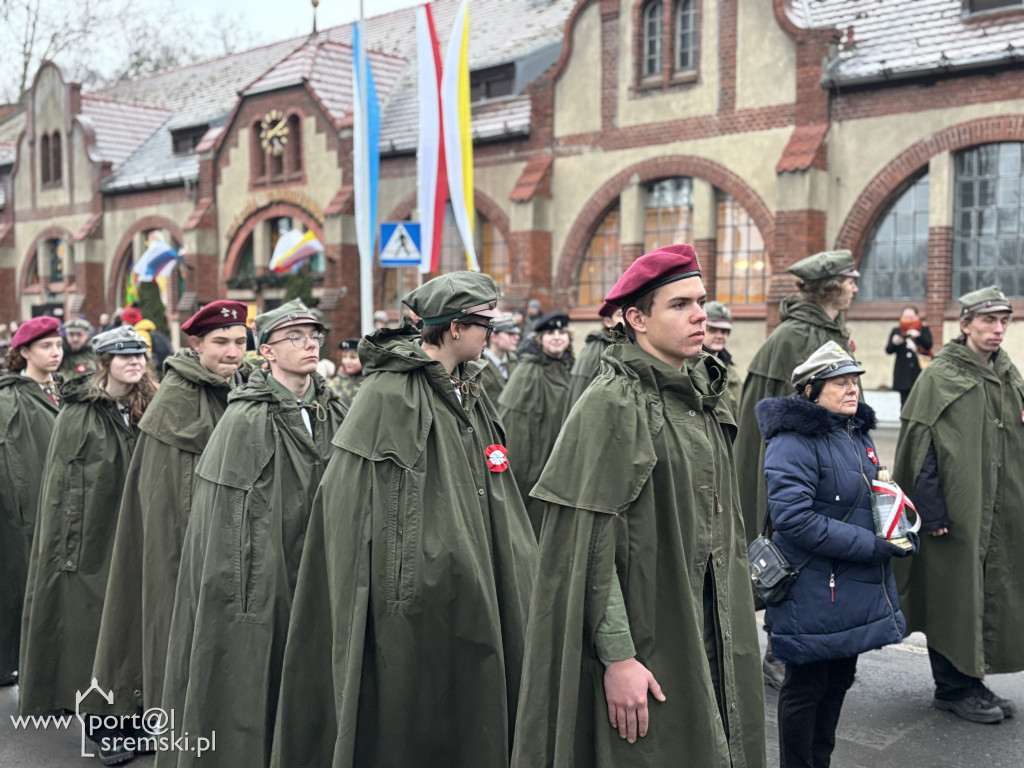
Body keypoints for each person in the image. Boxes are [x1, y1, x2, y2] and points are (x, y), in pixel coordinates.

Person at [512, 244, 766, 768]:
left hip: (710, 626)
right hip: (651, 636)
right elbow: (588, 547)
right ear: (636, 319)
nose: (700, 314)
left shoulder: (700, 395)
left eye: (701, 300)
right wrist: (618, 656)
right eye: (679, 305)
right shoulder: (613, 403)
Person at [271, 273, 537, 768]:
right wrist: (414, 573)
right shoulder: (389, 395)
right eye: (485, 323)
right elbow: (349, 502)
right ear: (455, 328)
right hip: (418, 596)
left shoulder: (468, 391)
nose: (492, 333)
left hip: (475, 578)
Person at [157, 299, 346, 768]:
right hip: (269, 570)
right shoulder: (247, 417)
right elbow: (230, 521)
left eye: (313, 335)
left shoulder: (333, 408)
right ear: (268, 352)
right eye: (294, 337)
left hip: (326, 566)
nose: (308, 344)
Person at [756, 341, 911, 768]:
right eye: (839, 383)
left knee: (839, 680)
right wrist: (872, 547)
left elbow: (869, 496)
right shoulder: (792, 440)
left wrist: (898, 522)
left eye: (854, 382)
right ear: (810, 391)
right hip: (812, 587)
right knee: (806, 688)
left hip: (849, 586)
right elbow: (794, 520)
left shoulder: (855, 434)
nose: (852, 390)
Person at [92, 301, 250, 720]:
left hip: (231, 537)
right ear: (196, 344)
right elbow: (173, 497)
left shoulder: (240, 386)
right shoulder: (179, 399)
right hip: (185, 537)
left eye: (240, 341)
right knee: (168, 611)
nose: (233, 352)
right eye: (221, 342)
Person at [19, 326, 156, 765]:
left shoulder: (149, 406)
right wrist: (72, 552)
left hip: (139, 532)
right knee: (92, 631)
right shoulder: (80, 414)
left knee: (133, 629)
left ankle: (135, 719)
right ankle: (104, 726)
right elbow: (65, 489)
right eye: (124, 356)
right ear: (104, 363)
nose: (134, 362)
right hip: (92, 541)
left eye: (139, 355)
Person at [893, 285, 1023, 724]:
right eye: (988, 320)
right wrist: (930, 512)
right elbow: (921, 448)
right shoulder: (942, 375)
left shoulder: (1006, 374)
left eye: (1004, 321)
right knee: (951, 596)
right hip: (952, 516)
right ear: (965, 325)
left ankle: (972, 681)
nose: (998, 329)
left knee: (986, 595)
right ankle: (951, 687)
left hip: (998, 512)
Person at [734, 249, 859, 688]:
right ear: (830, 285)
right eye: (850, 279)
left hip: (828, 463)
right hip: (796, 466)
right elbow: (770, 419)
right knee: (790, 555)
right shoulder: (793, 338)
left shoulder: (829, 331)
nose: (856, 287)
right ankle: (780, 651)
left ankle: (812, 647)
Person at [0, 317, 63, 687]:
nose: (54, 353)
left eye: (57, 346)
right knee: (21, 585)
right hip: (27, 504)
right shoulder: (11, 396)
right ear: (24, 352)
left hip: (61, 500)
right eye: (45, 347)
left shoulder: (64, 389)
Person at [498, 310, 574, 538]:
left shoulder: (572, 369)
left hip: (564, 459)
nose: (557, 337)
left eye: (562, 332)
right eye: (550, 333)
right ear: (539, 339)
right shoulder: (528, 372)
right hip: (535, 463)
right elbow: (514, 428)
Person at [564, 301, 623, 415]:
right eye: (621, 315)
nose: (626, 319)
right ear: (608, 322)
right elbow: (580, 394)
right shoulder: (595, 349)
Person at [885, 306, 933, 405]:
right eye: (906, 317)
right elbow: (888, 350)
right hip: (903, 374)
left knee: (920, 403)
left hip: (919, 372)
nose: (908, 320)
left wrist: (918, 337)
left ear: (916, 316)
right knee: (905, 404)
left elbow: (928, 345)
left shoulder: (923, 329)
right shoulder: (897, 330)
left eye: (911, 317)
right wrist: (895, 343)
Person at [471, 311, 520, 400]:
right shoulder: (477, 363)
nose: (516, 337)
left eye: (516, 334)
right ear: (493, 336)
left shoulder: (514, 360)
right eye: (510, 333)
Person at [703, 301, 741, 416]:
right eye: (713, 330)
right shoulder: (692, 367)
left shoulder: (729, 368)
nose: (720, 336)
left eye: (724, 331)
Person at [335, 337, 364, 406]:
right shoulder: (335, 384)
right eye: (344, 357)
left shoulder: (370, 383)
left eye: (353, 357)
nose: (347, 361)